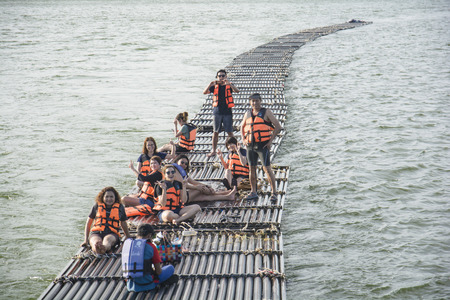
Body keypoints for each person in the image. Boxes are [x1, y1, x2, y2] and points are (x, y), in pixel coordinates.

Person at [240, 93, 282, 202]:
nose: (255, 103)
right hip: (250, 146)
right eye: (253, 101)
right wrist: (243, 139)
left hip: (262, 146)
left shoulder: (266, 112)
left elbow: (278, 127)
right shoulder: (248, 113)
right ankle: (253, 192)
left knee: (267, 169)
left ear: (260, 101)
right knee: (251, 169)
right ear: (250, 102)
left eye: (257, 101)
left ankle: (274, 193)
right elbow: (242, 126)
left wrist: (270, 141)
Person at [124, 224, 177, 292]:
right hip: (147, 284)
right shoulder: (151, 247)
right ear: (149, 235)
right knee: (170, 268)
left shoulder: (128, 245)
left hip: (131, 285)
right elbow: (158, 272)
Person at [81, 187, 131, 254]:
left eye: (111, 197)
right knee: (95, 241)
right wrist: (86, 240)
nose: (109, 199)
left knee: (107, 240)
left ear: (115, 198)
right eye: (106, 197)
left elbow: (123, 223)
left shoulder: (120, 207)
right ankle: (97, 248)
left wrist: (128, 236)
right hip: (97, 232)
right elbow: (88, 223)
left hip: (112, 233)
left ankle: (104, 248)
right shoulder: (97, 206)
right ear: (102, 197)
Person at [203, 69, 240, 157]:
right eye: (219, 76)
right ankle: (213, 151)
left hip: (227, 112)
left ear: (226, 77)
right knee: (215, 132)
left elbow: (237, 91)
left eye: (223, 76)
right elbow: (204, 92)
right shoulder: (214, 86)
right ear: (217, 77)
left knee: (230, 132)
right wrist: (210, 84)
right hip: (217, 112)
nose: (221, 77)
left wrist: (229, 84)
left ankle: (235, 149)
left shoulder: (229, 85)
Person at [172, 154, 237, 202]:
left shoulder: (182, 172)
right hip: (180, 198)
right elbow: (183, 185)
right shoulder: (174, 171)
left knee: (204, 197)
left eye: (186, 164)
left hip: (183, 196)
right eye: (182, 162)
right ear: (177, 161)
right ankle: (224, 194)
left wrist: (207, 186)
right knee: (201, 190)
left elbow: (193, 182)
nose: (184, 165)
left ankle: (227, 196)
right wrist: (197, 187)